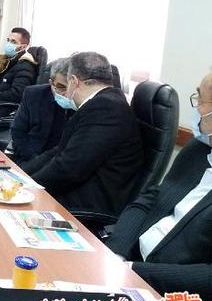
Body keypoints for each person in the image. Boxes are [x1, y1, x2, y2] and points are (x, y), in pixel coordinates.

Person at [106, 72, 212, 301]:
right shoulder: (199, 149)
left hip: (172, 296)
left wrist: (133, 271)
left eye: (201, 100)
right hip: (126, 262)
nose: (196, 109)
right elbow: (150, 199)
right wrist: (115, 252)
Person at [22, 52, 143, 216]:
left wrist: (27, 188)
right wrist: (21, 175)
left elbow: (69, 169)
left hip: (87, 205)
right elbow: (59, 152)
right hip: (77, 190)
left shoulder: (106, 108)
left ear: (73, 81)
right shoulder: (102, 102)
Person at [10, 58, 73, 166]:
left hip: (62, 165)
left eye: (70, 88)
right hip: (29, 157)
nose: (66, 93)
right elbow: (18, 131)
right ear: (51, 83)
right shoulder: (33, 94)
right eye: (61, 87)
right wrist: (34, 160)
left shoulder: (82, 103)